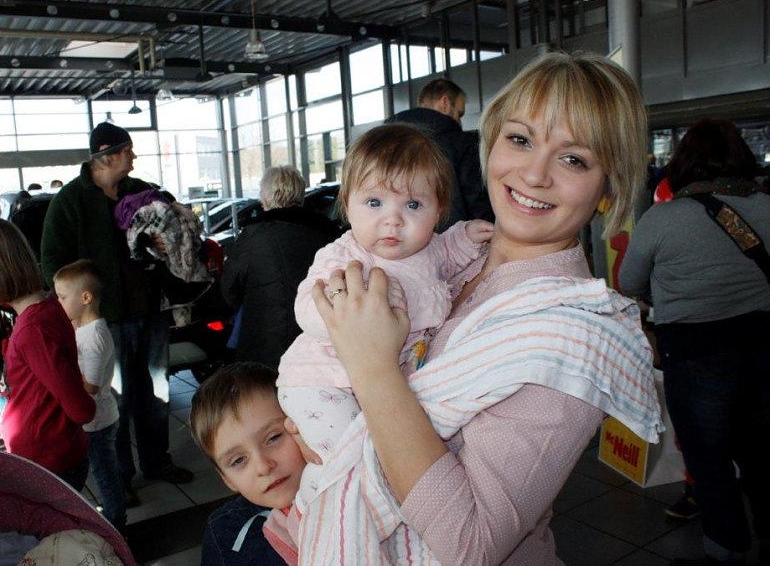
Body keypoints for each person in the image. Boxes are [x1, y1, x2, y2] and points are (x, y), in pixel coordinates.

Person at [266, 51, 663, 564]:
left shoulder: (569, 337)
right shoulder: (451, 253)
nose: (534, 173)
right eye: (520, 139)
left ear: (608, 190)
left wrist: (371, 369)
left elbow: (470, 543)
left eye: (574, 159)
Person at [276, 123, 493, 510]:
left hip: (381, 389)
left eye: (413, 205)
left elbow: (451, 250)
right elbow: (307, 307)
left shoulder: (430, 251)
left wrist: (469, 235)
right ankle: (312, 519)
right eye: (374, 203)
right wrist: (353, 302)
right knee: (344, 464)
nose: (393, 220)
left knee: (383, 462)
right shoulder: (344, 257)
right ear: (348, 203)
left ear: (439, 211)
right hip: (324, 383)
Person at [620, 119, 770, 565]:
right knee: (763, 455)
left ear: (682, 163)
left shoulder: (663, 218)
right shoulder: (767, 206)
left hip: (695, 355)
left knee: (709, 462)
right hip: (764, 347)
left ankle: (727, 549)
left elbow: (629, 281)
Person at [41, 121, 193, 508]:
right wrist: (76, 305)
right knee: (116, 402)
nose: (134, 157)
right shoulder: (71, 201)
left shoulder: (141, 192)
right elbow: (52, 264)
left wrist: (165, 242)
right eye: (128, 150)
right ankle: (121, 476)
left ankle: (157, 462)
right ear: (106, 156)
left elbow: (172, 225)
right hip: (104, 320)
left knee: (156, 393)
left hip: (150, 311)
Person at [0, 218, 95, 491]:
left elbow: (81, 409)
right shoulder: (43, 312)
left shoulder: (33, 329)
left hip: (48, 464)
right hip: (45, 460)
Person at [220, 166, 341, 368]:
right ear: (300, 195)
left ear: (266, 197)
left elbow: (229, 288)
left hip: (265, 339)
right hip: (319, 337)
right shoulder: (327, 232)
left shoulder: (253, 235)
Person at [190, 362, 304, 565]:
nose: (263, 466)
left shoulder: (356, 492)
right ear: (227, 479)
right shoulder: (225, 532)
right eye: (238, 460)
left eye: (274, 437)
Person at [54, 259, 126, 531]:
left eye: (62, 297)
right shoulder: (82, 329)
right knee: (102, 472)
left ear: (85, 297)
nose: (58, 303)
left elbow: (91, 388)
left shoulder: (95, 335)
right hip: (93, 419)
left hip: (98, 422)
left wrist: (60, 385)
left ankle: (116, 524)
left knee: (105, 475)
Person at [387, 78, 494, 228]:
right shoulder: (463, 144)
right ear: (444, 103)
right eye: (459, 113)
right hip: (458, 245)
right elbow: (477, 202)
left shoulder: (384, 143)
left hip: (400, 242)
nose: (460, 121)